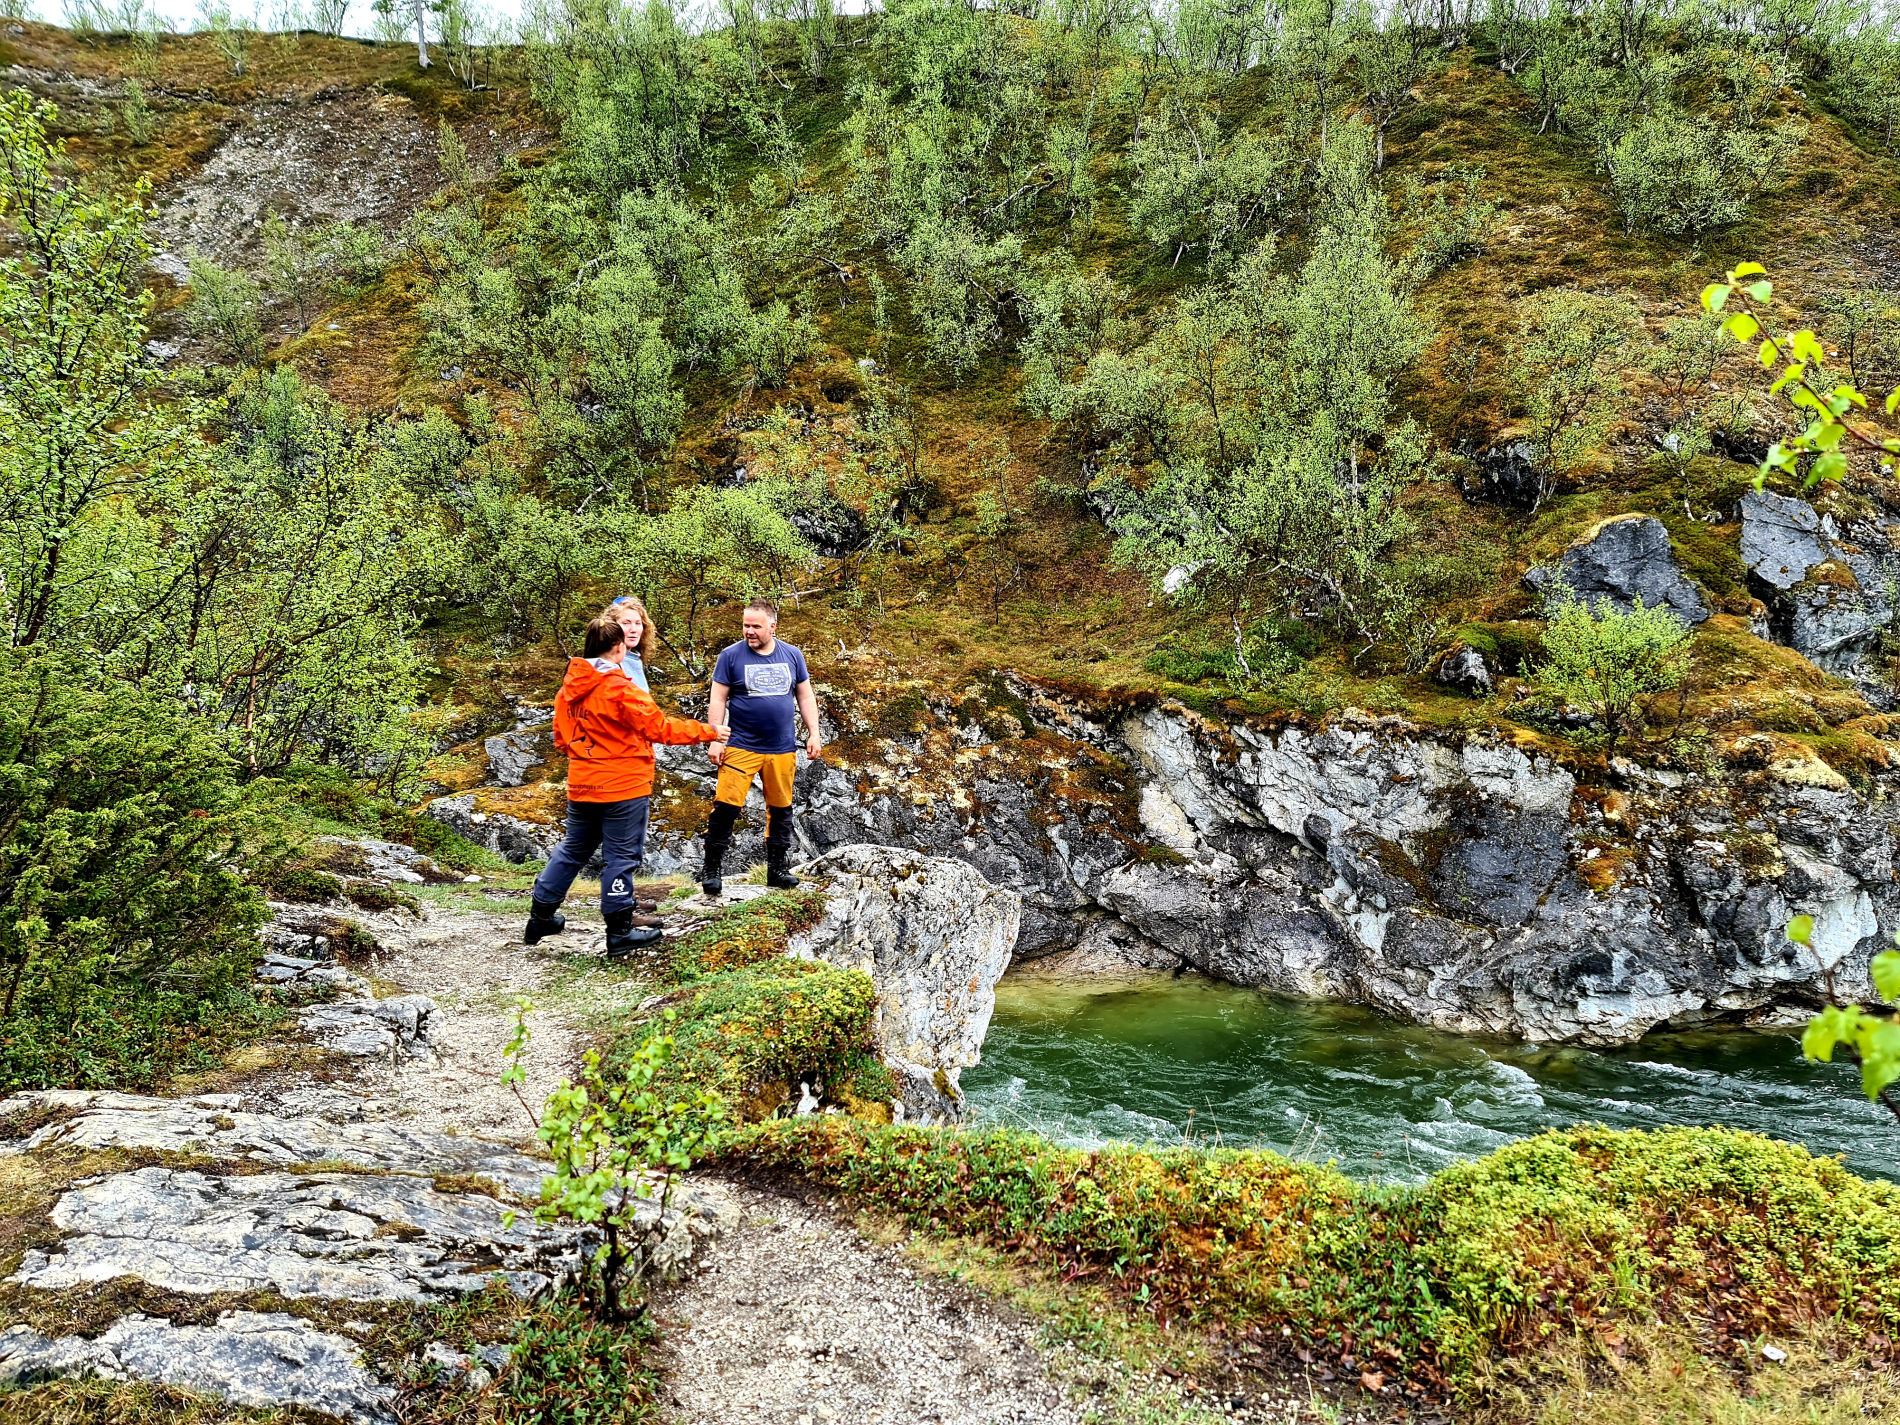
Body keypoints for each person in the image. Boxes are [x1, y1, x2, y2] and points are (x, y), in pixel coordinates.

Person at [525, 617, 729, 959]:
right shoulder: (621, 689)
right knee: (621, 856)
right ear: (619, 648)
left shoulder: (567, 691)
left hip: (582, 783)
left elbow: (561, 740)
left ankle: (540, 918)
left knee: (573, 849)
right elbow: (659, 728)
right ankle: (619, 931)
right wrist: (710, 731)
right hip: (624, 786)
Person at [698, 598, 823, 897]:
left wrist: (814, 733)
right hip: (740, 745)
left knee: (781, 809)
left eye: (756, 626)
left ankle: (776, 870)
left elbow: (805, 696)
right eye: (746, 626)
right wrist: (715, 738)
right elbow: (718, 698)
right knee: (726, 807)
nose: (749, 631)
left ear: (772, 626)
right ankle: (712, 869)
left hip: (782, 748)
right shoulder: (730, 656)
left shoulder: (792, 654)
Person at [601, 594, 656, 693]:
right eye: (626, 623)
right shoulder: (605, 664)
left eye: (638, 623)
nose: (633, 629)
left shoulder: (635, 659)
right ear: (611, 626)